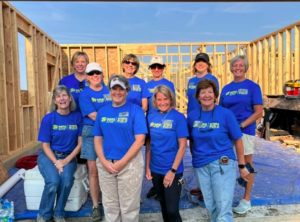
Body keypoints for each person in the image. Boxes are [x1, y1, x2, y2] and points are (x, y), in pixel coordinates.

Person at [187, 79, 250, 222]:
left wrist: (241, 166)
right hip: (201, 164)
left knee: (222, 205)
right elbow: (192, 141)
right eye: (203, 92)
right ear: (198, 96)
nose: (207, 95)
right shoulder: (192, 116)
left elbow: (238, 140)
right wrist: (195, 159)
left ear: (215, 96)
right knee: (210, 204)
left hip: (222, 163)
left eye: (210, 92)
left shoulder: (226, 114)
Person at [93, 74, 148, 222]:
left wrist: (121, 163)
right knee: (110, 206)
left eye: (121, 89)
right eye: (114, 88)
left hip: (130, 164)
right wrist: (104, 162)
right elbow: (97, 139)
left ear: (127, 91)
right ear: (109, 90)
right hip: (106, 164)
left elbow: (140, 140)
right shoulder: (102, 112)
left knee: (129, 207)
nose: (117, 92)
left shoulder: (136, 111)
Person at [219, 55, 263, 214]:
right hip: (227, 131)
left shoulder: (253, 87)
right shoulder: (226, 88)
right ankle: (224, 197)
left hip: (245, 131)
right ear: (231, 68)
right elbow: (221, 111)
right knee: (224, 163)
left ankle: (246, 199)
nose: (237, 68)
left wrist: (241, 125)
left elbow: (258, 112)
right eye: (235, 65)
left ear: (245, 67)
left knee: (246, 165)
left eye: (241, 65)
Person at [36, 85, 82, 222]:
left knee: (67, 180)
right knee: (54, 181)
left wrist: (65, 161)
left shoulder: (77, 117)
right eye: (58, 96)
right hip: (49, 156)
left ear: (69, 98)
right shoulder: (48, 119)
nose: (62, 99)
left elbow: (80, 144)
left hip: (69, 156)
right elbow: (45, 145)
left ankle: (59, 214)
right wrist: (57, 163)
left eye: (64, 95)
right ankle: (44, 215)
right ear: (55, 101)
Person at [145, 85, 188, 222]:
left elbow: (182, 146)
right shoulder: (151, 116)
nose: (162, 102)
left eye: (165, 99)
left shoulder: (179, 117)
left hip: (172, 169)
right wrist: (147, 167)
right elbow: (149, 144)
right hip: (155, 168)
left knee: (172, 210)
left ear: (171, 99)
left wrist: (172, 171)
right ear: (155, 101)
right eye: (159, 99)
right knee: (163, 204)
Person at [79, 63, 111, 222]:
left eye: (97, 72)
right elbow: (93, 116)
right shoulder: (85, 94)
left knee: (111, 166)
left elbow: (116, 107)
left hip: (110, 132)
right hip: (92, 133)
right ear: (87, 76)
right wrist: (111, 118)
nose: (94, 75)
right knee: (94, 171)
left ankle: (112, 200)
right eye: (91, 73)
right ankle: (96, 205)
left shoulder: (109, 90)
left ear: (102, 73)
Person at [186, 52, 219, 200]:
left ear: (208, 64)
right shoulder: (191, 81)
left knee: (208, 152)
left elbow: (215, 101)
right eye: (198, 61)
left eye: (203, 61)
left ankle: (210, 188)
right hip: (193, 120)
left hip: (206, 120)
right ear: (195, 65)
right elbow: (191, 102)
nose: (200, 63)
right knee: (195, 152)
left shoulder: (212, 79)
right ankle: (202, 185)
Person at [145, 55, 175, 199]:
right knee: (151, 149)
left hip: (165, 122)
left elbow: (172, 104)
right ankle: (156, 185)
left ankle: (166, 183)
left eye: (159, 67)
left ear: (163, 68)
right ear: (151, 69)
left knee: (165, 150)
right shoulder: (146, 85)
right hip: (151, 122)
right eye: (154, 67)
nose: (156, 69)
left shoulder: (169, 84)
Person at [59, 51, 89, 165]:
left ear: (87, 64)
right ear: (73, 64)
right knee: (71, 150)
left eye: (83, 61)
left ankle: (87, 178)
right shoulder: (65, 81)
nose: (80, 64)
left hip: (88, 122)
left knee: (87, 154)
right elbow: (58, 99)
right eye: (77, 61)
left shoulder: (93, 79)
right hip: (70, 121)